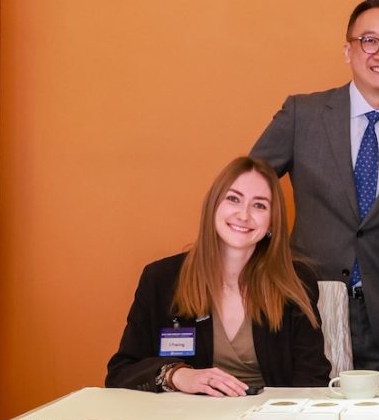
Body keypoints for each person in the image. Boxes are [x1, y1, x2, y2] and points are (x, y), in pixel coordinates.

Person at [250, 0, 379, 387]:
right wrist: (265, 269)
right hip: (306, 311)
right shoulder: (303, 115)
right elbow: (247, 191)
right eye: (369, 41)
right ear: (348, 50)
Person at [106, 156, 330, 394]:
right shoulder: (161, 279)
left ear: (272, 221)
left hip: (269, 415)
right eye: (233, 199)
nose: (244, 215)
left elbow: (312, 379)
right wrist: (176, 375)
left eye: (259, 205)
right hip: (188, 416)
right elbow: (121, 373)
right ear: (213, 205)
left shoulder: (295, 280)